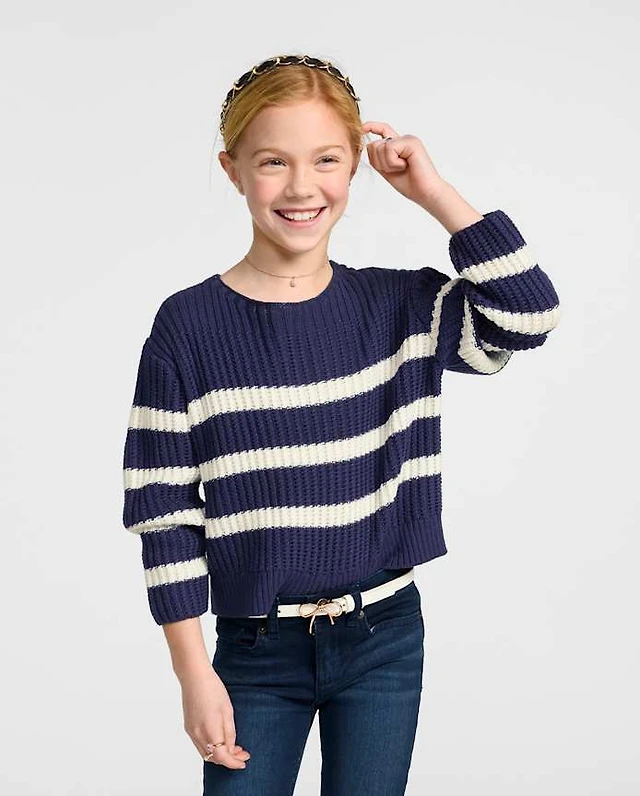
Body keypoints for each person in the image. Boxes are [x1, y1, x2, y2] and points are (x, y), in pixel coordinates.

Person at [121, 53, 562, 795]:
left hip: (385, 638)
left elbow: (529, 315)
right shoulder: (187, 327)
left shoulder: (403, 308)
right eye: (273, 161)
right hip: (257, 651)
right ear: (232, 170)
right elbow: (163, 511)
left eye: (326, 160)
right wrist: (192, 671)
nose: (302, 186)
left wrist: (435, 194)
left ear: (355, 166)